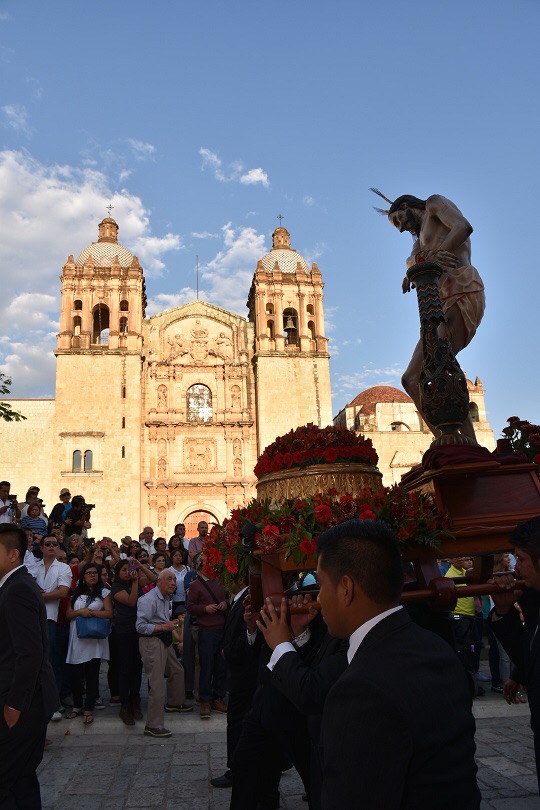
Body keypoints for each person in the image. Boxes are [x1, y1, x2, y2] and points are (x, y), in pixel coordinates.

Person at [316, 518, 480, 809]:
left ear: (345, 588)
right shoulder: (438, 650)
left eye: (320, 585)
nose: (317, 599)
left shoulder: (360, 690)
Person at [377, 191, 485, 441]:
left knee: (442, 359)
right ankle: (445, 440)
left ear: (404, 206)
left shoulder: (435, 204)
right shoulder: (419, 240)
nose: (401, 228)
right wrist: (413, 267)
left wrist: (434, 256)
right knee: (411, 378)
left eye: (398, 220)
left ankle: (468, 443)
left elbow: (463, 226)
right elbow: (412, 259)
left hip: (463, 287)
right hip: (437, 304)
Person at [0, 523, 59, 809]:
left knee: (6, 780)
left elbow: (30, 654)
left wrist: (14, 706)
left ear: (13, 555)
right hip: (29, 700)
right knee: (21, 779)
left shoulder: (17, 590)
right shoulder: (17, 584)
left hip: (24, 703)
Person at [489, 516, 540, 792]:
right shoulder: (533, 599)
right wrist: (506, 611)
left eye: (521, 559)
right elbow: (528, 652)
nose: (515, 567)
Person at [136, 569, 193, 737]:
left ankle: (175, 703)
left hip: (164, 638)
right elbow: (140, 627)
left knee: (177, 670)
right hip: (151, 641)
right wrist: (164, 627)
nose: (173, 583)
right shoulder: (148, 599)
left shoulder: (166, 598)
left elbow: (160, 620)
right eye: (169, 579)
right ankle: (153, 725)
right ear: (158, 581)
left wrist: (169, 625)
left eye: (175, 579)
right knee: (157, 683)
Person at [25, 533, 72, 720]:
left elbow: (63, 592)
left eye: (55, 544)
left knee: (51, 660)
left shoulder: (63, 568)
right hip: (32, 619)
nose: (52, 546)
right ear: (42, 548)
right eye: (48, 544)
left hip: (50, 618)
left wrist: (39, 595)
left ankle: (53, 702)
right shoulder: (33, 567)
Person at [64, 562, 113, 725]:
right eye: (89, 573)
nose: (92, 575)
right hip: (76, 638)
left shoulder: (104, 593)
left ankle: (88, 708)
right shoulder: (75, 594)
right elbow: (69, 615)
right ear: (83, 577)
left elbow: (109, 613)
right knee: (74, 674)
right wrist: (80, 612)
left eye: (95, 573)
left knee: (92, 674)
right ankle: (77, 705)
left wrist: (92, 613)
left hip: (94, 639)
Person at [186, 562, 228, 719]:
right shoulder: (195, 585)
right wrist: (205, 609)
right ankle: (205, 699)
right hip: (206, 630)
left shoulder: (221, 581)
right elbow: (190, 607)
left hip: (221, 628)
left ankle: (218, 697)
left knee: (220, 665)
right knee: (207, 665)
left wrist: (225, 603)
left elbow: (228, 598)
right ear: (202, 567)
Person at [111, 559, 145, 725]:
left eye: (129, 569)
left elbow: (153, 578)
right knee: (125, 668)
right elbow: (131, 602)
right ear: (118, 573)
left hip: (138, 629)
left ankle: (135, 701)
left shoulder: (134, 583)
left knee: (137, 667)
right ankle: (125, 705)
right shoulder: (117, 588)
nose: (127, 572)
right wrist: (135, 581)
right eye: (123, 570)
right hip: (124, 631)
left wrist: (140, 566)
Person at [169, 548, 190, 615]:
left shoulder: (187, 569)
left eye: (180, 556)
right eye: (175, 555)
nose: (178, 557)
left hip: (186, 599)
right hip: (174, 599)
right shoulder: (169, 570)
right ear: (172, 558)